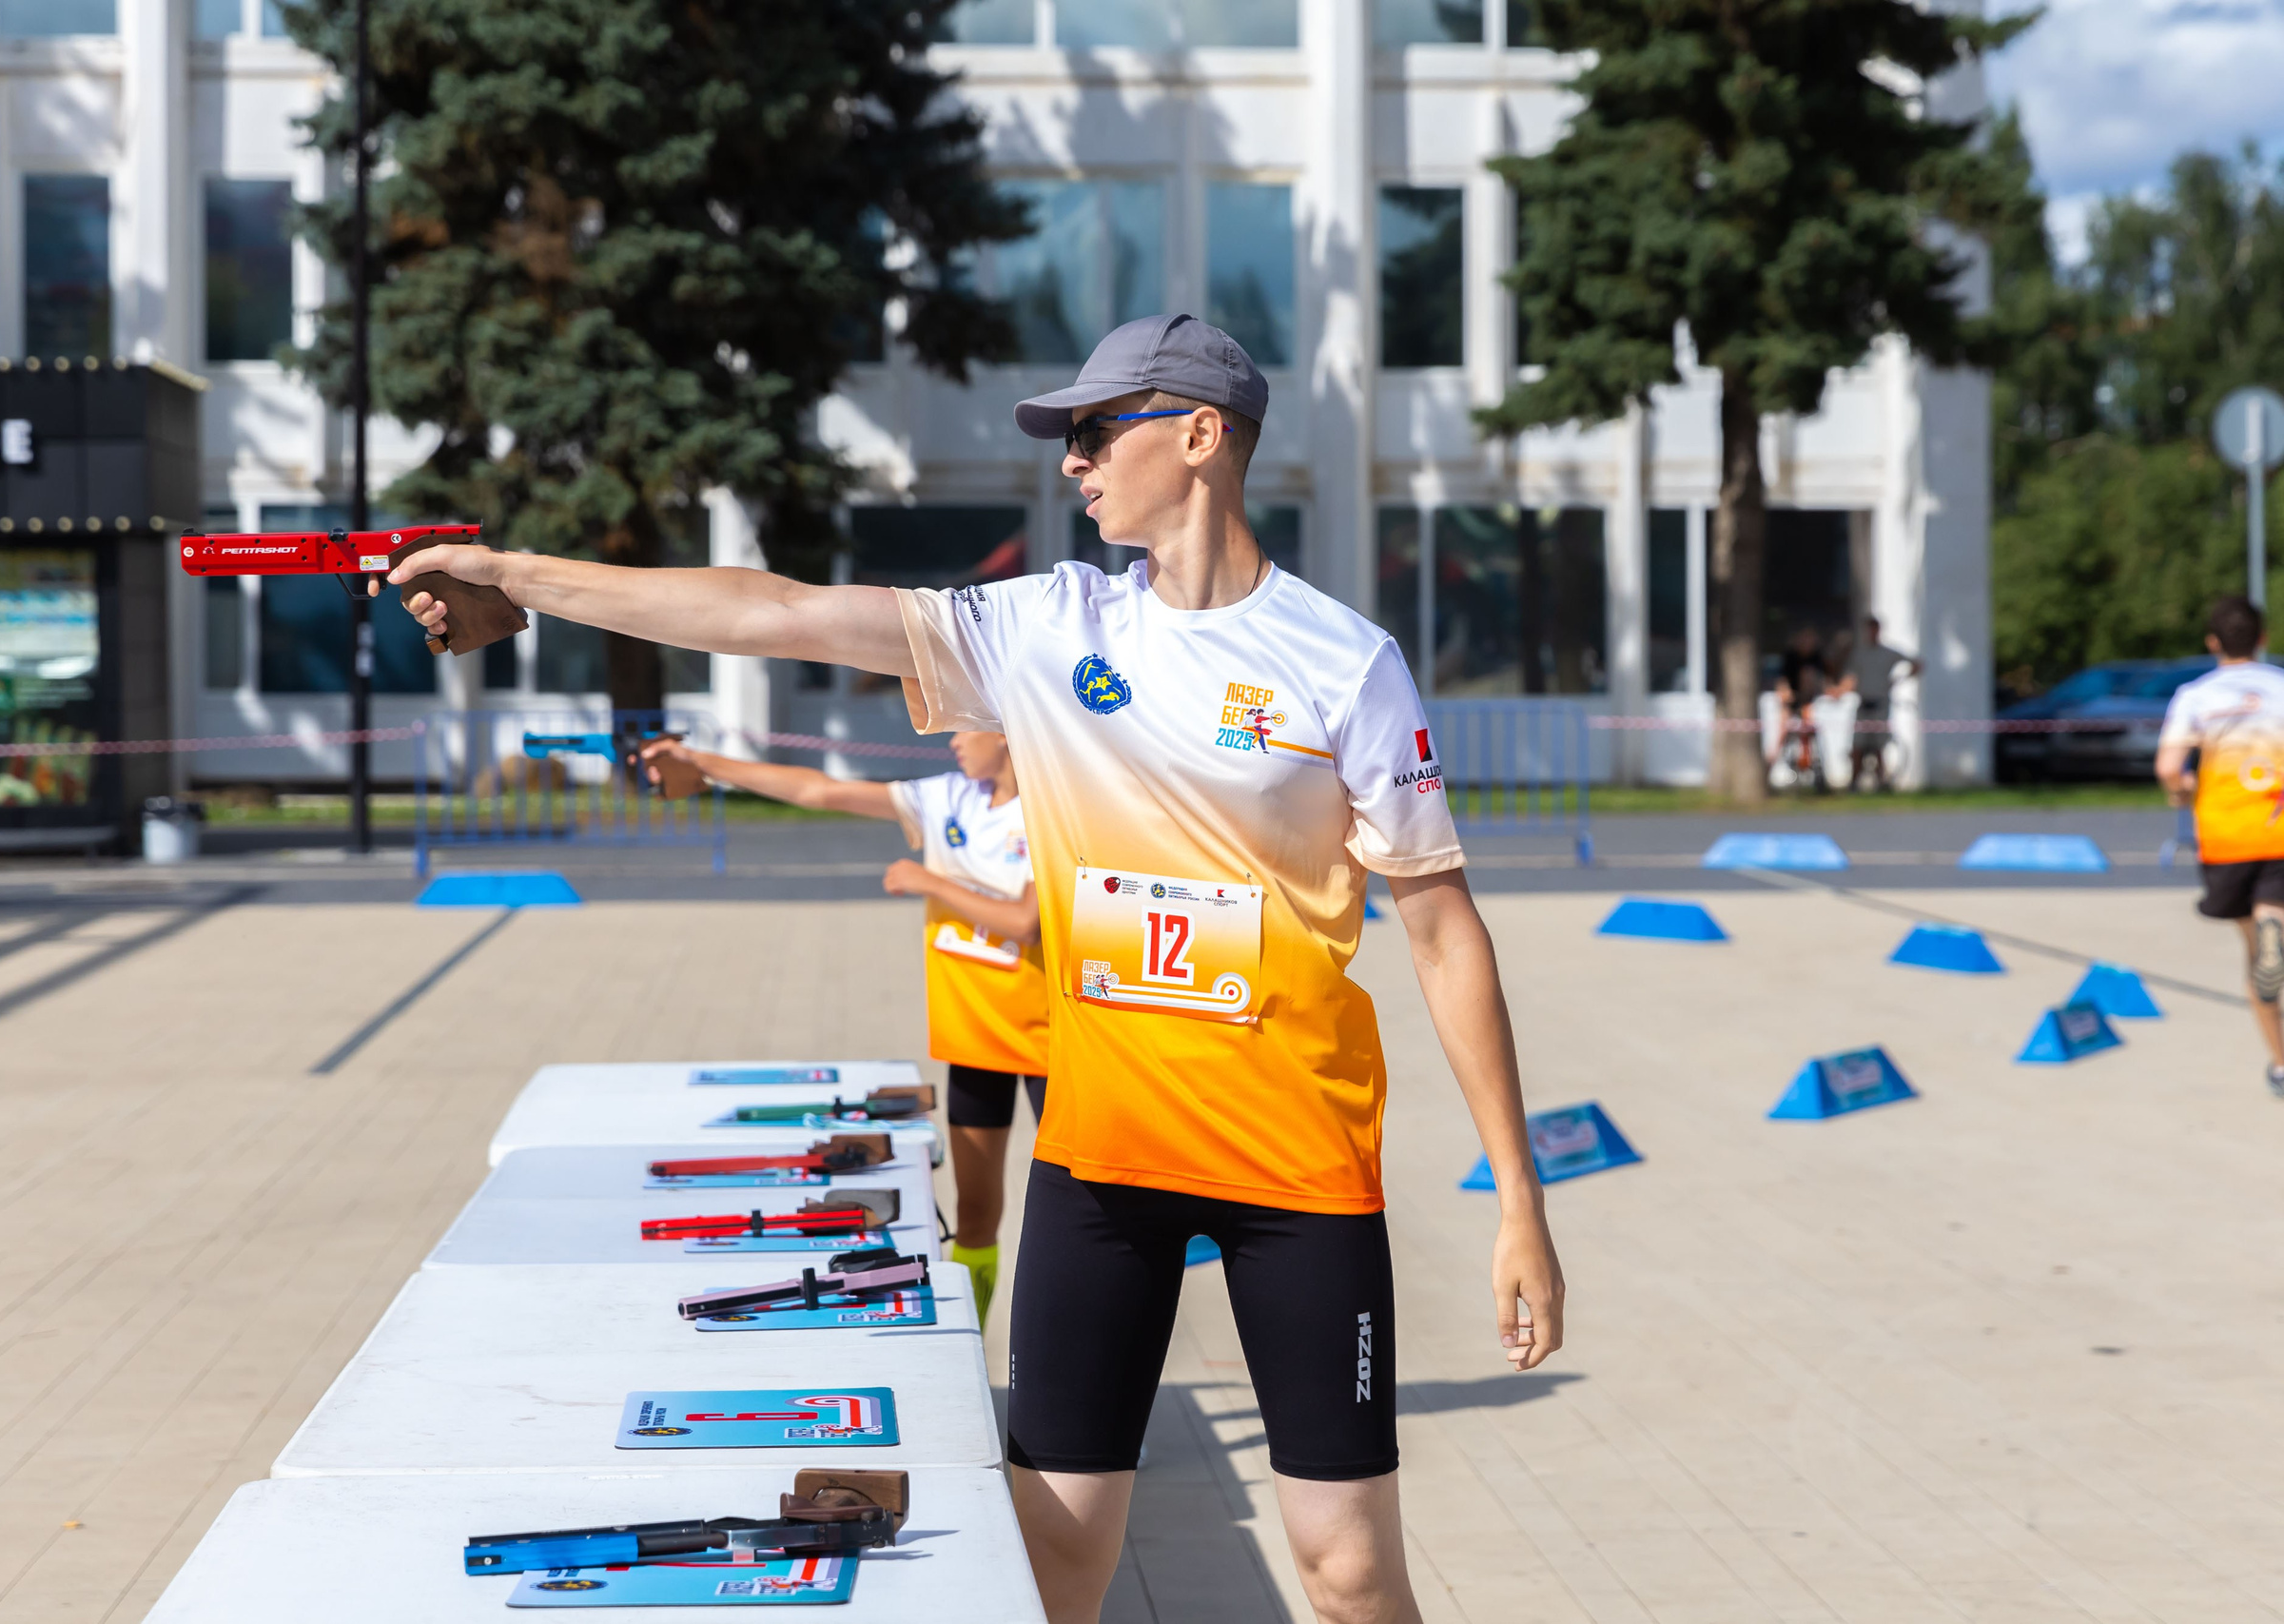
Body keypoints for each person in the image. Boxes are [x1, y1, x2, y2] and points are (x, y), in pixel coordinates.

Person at [386, 312, 1565, 1624]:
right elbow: (772, 609)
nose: (1071, 461)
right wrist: (521, 573)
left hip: (1300, 1169)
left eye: (1093, 430)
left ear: (1199, 434)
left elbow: (1446, 928)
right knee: (1053, 1559)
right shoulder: (1047, 627)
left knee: (1348, 1573)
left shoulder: (1347, 662)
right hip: (1100, 1164)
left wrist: (1518, 1194)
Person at [639, 729, 1047, 1321]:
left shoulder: (1049, 809)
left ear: (1010, 731)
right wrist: (701, 761)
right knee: (977, 1212)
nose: (951, 737)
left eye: (965, 723)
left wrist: (930, 881)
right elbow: (817, 789)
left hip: (1051, 1040)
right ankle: (975, 1343)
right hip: (977, 1037)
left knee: (1076, 1214)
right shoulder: (948, 797)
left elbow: (1025, 923)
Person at [2155, 595, 2284, 1097]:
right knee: (2276, 918)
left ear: (2213, 643)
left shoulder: (2196, 695)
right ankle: (2274, 930)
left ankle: (2280, 1062)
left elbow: (2170, 768)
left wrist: (2181, 791)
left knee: (2255, 953)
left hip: (2227, 837)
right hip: (2279, 829)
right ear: (2263, 638)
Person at [1840, 615, 1921, 790]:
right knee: (1858, 745)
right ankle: (1854, 782)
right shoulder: (1859, 654)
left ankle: (1882, 782)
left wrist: (1899, 679)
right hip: (1863, 703)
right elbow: (1850, 677)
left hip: (1880, 704)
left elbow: (1916, 664)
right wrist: (1840, 691)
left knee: (1879, 745)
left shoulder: (1888, 653)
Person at [1768, 626, 1830, 774]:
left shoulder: (1816, 658)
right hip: (1791, 701)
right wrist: (1785, 693)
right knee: (1782, 732)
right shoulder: (1790, 657)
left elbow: (1824, 679)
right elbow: (1781, 680)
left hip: (1808, 700)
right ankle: (1769, 765)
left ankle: (1807, 761)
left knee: (1809, 727)